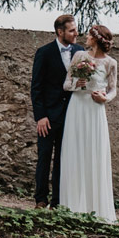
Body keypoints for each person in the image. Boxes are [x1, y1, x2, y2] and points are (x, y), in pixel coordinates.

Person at [59, 23, 118, 221]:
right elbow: (66, 84)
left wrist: (105, 98)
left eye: (89, 36)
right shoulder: (79, 57)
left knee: (95, 153)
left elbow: (113, 89)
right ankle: (73, 206)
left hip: (95, 110)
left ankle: (95, 208)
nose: (85, 38)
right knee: (76, 151)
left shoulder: (111, 63)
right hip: (77, 107)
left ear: (96, 39)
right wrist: (77, 84)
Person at [30, 13, 83, 208]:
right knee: (44, 157)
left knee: (63, 159)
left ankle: (57, 202)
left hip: (70, 115)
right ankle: (41, 199)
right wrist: (41, 116)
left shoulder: (80, 52)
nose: (76, 33)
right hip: (48, 117)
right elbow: (36, 87)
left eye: (75, 29)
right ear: (60, 32)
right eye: (72, 30)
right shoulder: (44, 52)